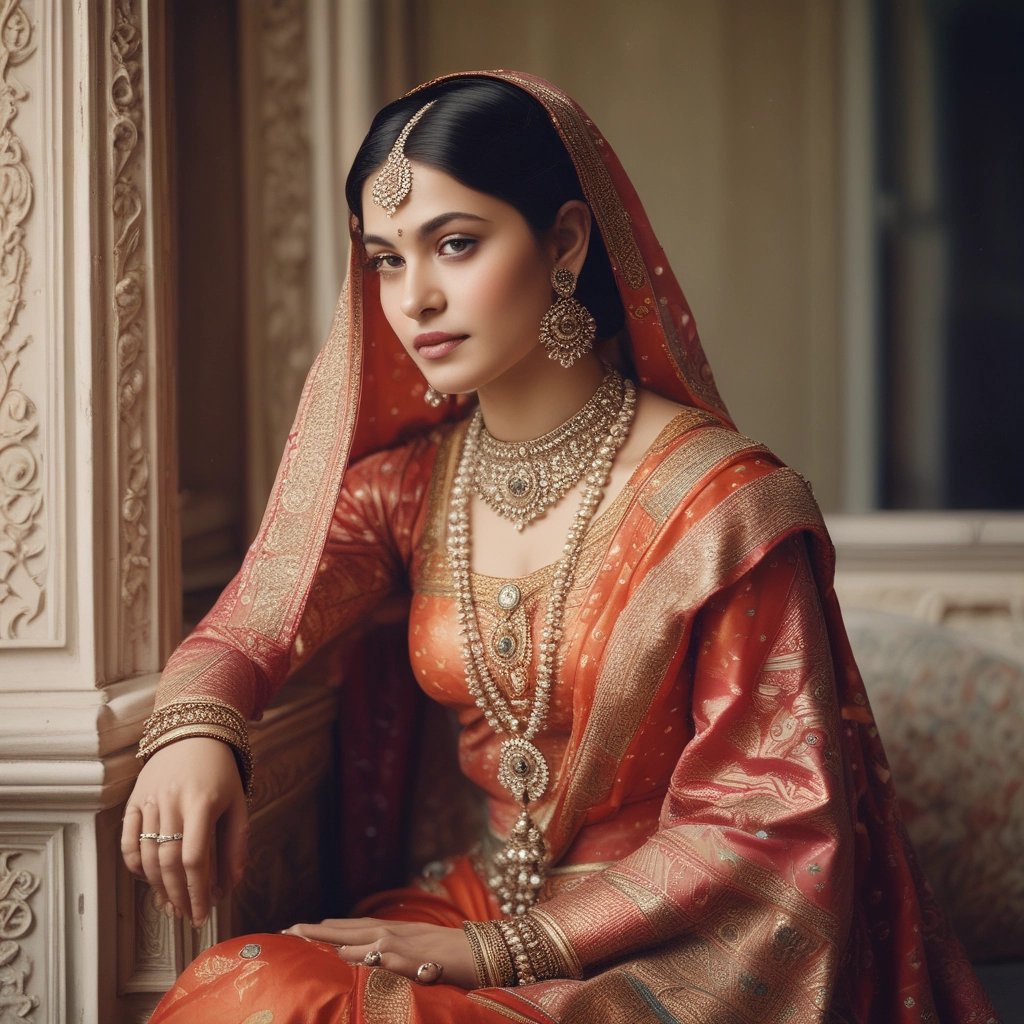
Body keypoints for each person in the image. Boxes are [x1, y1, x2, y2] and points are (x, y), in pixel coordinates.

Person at [123, 71, 996, 1022]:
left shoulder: (720, 507)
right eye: (385, 260)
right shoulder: (410, 490)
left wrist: (499, 951)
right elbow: (253, 623)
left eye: (456, 244)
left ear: (566, 242)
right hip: (477, 902)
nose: (415, 298)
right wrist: (199, 726)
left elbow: (764, 816)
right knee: (244, 988)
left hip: (678, 948)